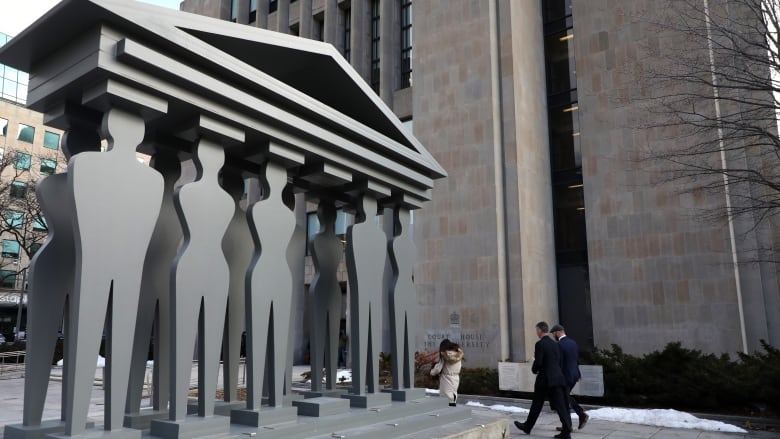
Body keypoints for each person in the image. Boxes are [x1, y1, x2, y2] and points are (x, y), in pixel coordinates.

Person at [514, 321, 573, 439]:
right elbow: (559, 362)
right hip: (557, 378)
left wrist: (534, 369)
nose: (536, 332)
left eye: (537, 330)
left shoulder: (540, 344)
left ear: (540, 330)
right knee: (561, 405)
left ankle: (527, 426)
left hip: (545, 379)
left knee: (537, 404)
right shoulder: (556, 344)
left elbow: (539, 362)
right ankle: (566, 430)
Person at [551, 324, 589, 430]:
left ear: (558, 332)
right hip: (575, 374)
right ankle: (568, 425)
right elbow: (575, 359)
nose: (554, 336)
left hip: (565, 376)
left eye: (554, 334)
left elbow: (559, 362)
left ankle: (580, 414)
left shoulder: (559, 345)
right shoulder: (573, 343)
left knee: (564, 397)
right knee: (565, 397)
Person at [430, 339, 464, 406]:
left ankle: (448, 414)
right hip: (456, 377)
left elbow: (438, 368)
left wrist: (432, 372)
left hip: (446, 378)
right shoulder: (458, 354)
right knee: (453, 396)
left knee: (446, 398)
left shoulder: (445, 355)